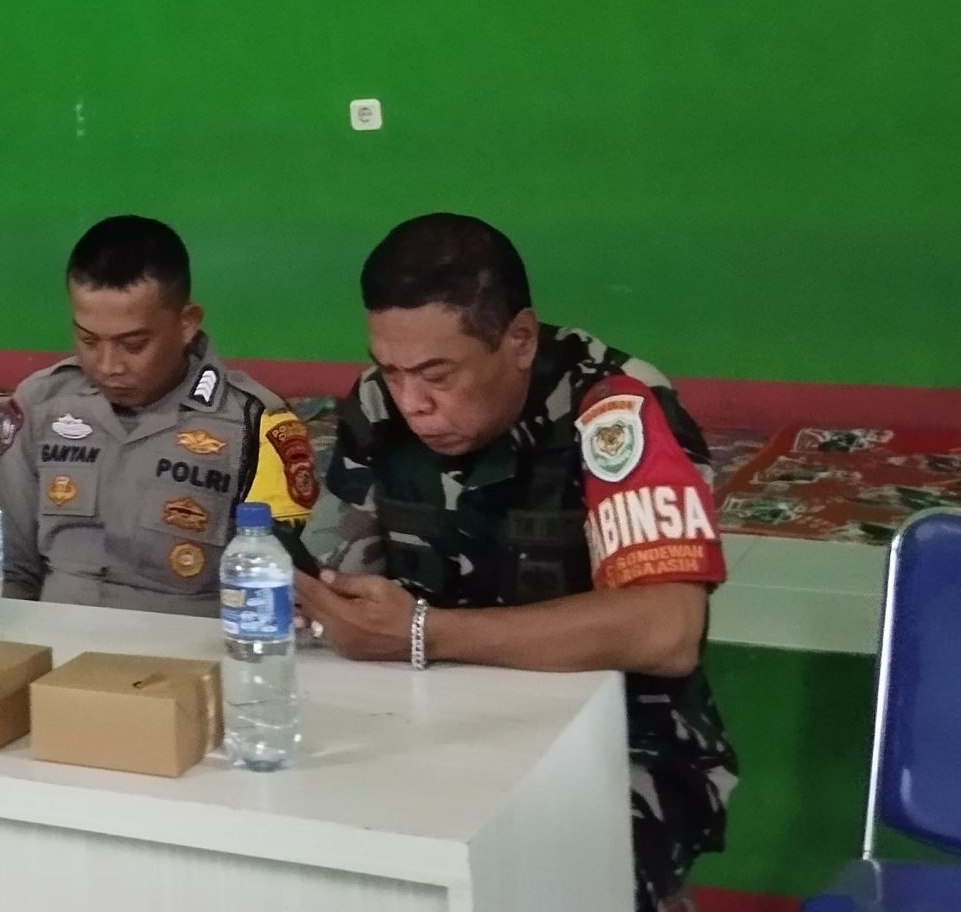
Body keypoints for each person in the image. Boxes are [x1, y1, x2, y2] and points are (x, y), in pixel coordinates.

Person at [294, 214, 736, 912]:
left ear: (520, 339)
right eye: (391, 369)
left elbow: (668, 629)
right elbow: (332, 571)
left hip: (620, 742)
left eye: (437, 374)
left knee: (543, 887)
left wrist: (424, 632)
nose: (412, 402)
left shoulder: (614, 407)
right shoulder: (378, 406)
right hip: (432, 723)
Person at [0, 215, 319, 612]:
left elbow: (280, 593)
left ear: (187, 324)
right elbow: (9, 569)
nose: (108, 365)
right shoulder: (41, 405)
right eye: (88, 340)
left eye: (133, 344)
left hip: (188, 647)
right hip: (53, 642)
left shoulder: (255, 425)